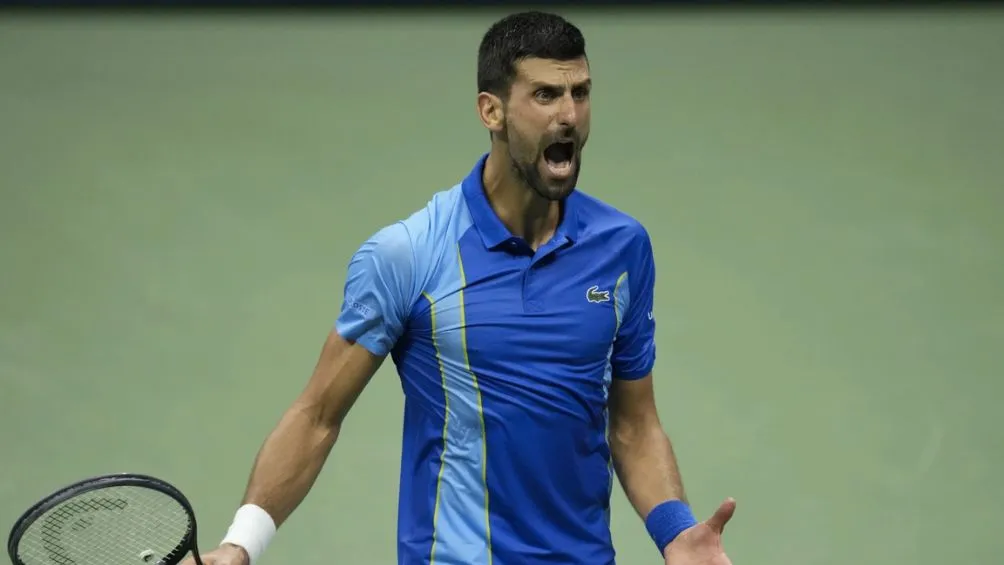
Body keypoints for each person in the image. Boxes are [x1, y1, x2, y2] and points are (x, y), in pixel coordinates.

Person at [182, 11, 735, 565]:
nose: (569, 115)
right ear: (490, 110)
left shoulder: (623, 249)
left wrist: (675, 531)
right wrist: (241, 545)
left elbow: (635, 425)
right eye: (545, 95)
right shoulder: (411, 253)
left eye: (580, 93)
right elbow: (318, 415)